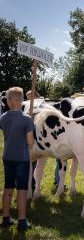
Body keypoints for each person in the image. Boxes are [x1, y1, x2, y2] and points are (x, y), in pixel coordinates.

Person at [0, 87, 35, 231]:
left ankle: (6, 218)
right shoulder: (26, 119)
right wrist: (29, 123)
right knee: (21, 190)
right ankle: (22, 221)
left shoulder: (3, 117)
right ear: (21, 101)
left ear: (10, 101)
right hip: (22, 158)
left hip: (7, 157)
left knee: (8, 187)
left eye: (7, 99)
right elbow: (30, 142)